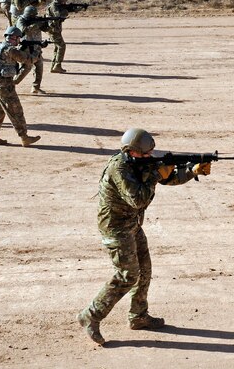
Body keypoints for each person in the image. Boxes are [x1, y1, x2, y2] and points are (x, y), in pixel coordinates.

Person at [76, 128, 212, 345]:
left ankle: (138, 316)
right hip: (116, 228)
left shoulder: (137, 162)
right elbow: (138, 199)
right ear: (132, 151)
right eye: (146, 154)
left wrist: (192, 171)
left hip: (132, 225)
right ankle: (90, 316)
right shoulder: (119, 169)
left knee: (144, 269)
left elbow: (168, 179)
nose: (150, 157)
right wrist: (158, 174)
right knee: (127, 275)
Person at [0, 26, 41, 147]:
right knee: (16, 111)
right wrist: (37, 52)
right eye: (18, 39)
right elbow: (28, 60)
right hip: (4, 84)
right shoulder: (10, 50)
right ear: (14, 38)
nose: (19, 41)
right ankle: (24, 137)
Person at [45, 0, 85, 73]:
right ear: (61, 1)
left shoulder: (57, 5)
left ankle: (55, 66)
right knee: (61, 46)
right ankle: (57, 65)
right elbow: (59, 15)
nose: (65, 4)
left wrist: (75, 9)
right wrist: (66, 10)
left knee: (57, 47)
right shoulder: (54, 6)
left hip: (54, 29)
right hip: (53, 30)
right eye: (64, 2)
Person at [15, 5, 48, 94]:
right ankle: (11, 84)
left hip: (37, 47)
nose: (35, 16)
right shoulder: (21, 20)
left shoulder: (37, 20)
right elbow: (23, 30)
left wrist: (48, 23)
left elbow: (46, 29)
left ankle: (35, 87)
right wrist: (36, 24)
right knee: (26, 68)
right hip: (26, 48)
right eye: (33, 15)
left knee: (39, 67)